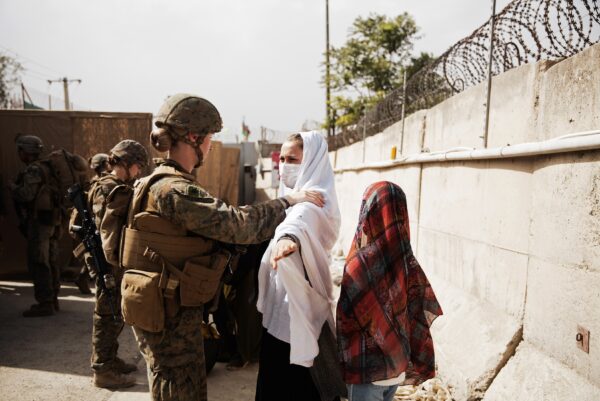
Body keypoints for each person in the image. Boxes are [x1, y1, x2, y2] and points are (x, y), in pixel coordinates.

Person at [121, 93, 325, 401]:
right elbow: (236, 225)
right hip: (168, 312)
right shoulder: (174, 189)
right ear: (193, 136)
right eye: (209, 137)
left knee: (168, 383)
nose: (211, 144)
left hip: (159, 302)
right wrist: (287, 201)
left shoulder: (157, 181)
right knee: (180, 389)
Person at [255, 131, 343, 401]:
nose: (283, 165)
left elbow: (299, 224)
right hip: (283, 306)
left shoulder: (313, 203)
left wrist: (286, 239)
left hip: (294, 310)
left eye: (292, 159)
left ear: (311, 161)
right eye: (281, 158)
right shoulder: (297, 198)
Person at [336, 181, 443, 401]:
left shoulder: (361, 263)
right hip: (396, 370)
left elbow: (348, 322)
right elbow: (416, 314)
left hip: (368, 372)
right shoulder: (407, 261)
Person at [85, 141, 148, 389]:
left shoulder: (114, 186)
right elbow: (106, 230)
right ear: (127, 164)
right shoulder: (109, 189)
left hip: (112, 261)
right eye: (137, 167)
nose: (139, 172)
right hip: (108, 263)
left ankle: (109, 360)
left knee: (115, 313)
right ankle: (102, 369)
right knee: (106, 314)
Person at [10, 135, 61, 317]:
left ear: (26, 151)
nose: (19, 154)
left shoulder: (34, 170)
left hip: (40, 222)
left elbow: (26, 195)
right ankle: (53, 298)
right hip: (53, 220)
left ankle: (45, 303)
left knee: (39, 261)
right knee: (51, 259)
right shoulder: (49, 167)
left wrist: (12, 188)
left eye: (20, 150)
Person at [73, 153, 112, 295]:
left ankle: (82, 278)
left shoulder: (96, 182)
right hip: (96, 225)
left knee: (94, 255)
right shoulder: (99, 184)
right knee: (96, 257)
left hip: (95, 225)